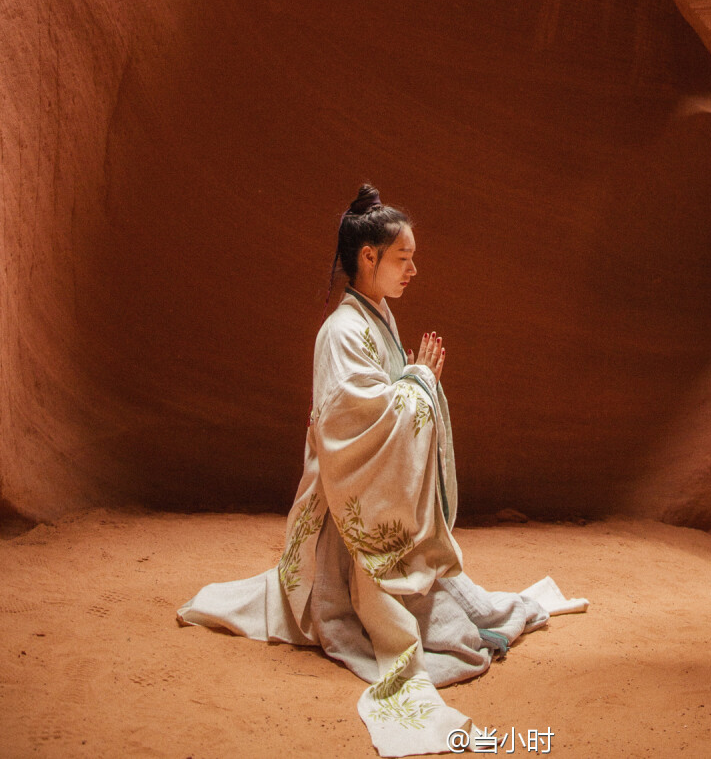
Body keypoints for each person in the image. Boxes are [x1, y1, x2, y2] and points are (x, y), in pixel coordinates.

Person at [177, 183, 587, 757]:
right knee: (441, 639)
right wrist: (419, 382)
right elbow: (355, 427)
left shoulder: (378, 318)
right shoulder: (342, 331)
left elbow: (383, 409)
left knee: (464, 616)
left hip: (372, 500)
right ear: (367, 257)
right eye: (403, 258)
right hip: (349, 516)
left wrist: (415, 382)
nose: (414, 269)